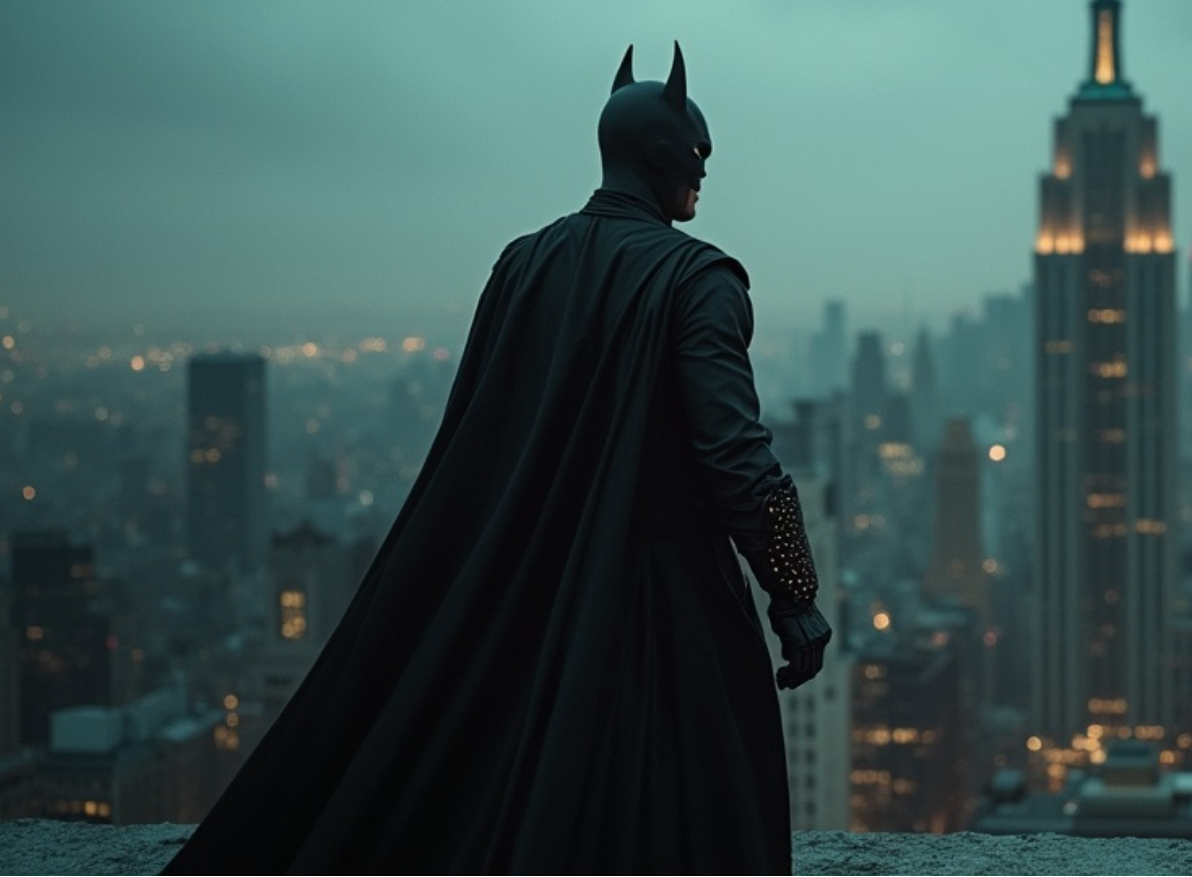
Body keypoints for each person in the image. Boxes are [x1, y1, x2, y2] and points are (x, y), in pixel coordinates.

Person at [162, 43, 832, 875]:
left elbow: (478, 439)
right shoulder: (700, 281)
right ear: (665, 157)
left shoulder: (522, 263)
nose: (704, 176)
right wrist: (794, 593)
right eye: (698, 158)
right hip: (661, 610)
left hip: (525, 590)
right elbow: (738, 459)